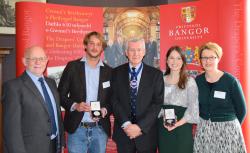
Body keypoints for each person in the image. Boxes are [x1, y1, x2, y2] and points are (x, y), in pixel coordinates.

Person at [2, 46, 64, 153]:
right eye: (33, 59)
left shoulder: (51, 83)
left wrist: (61, 143)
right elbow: (11, 130)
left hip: (54, 146)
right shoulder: (13, 87)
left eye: (41, 59)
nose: (38, 62)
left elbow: (57, 115)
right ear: (25, 61)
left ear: (46, 60)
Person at [58, 31, 112, 153]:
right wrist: (75, 105)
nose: (95, 47)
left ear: (102, 48)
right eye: (91, 43)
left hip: (100, 130)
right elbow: (60, 94)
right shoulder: (72, 67)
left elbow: (113, 100)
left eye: (98, 44)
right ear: (86, 46)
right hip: (77, 129)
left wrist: (105, 110)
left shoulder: (109, 71)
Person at [111, 38, 164, 153]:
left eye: (139, 50)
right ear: (126, 52)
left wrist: (140, 127)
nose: (135, 54)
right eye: (132, 50)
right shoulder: (116, 73)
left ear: (144, 52)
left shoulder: (156, 75)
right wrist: (127, 124)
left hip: (147, 134)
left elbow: (157, 103)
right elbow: (114, 100)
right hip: (124, 133)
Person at [193, 42, 247, 153]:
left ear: (218, 58)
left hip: (228, 131)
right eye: (204, 58)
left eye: (212, 57)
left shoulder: (231, 81)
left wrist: (230, 126)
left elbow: (242, 110)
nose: (208, 61)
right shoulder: (198, 81)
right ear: (200, 60)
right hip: (204, 131)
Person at [157, 46, 199, 153]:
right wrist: (163, 115)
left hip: (182, 127)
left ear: (183, 61)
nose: (175, 61)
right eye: (171, 58)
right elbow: (154, 104)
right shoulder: (159, 80)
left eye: (178, 58)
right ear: (166, 60)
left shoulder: (190, 82)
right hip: (163, 127)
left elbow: (193, 108)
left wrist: (177, 123)